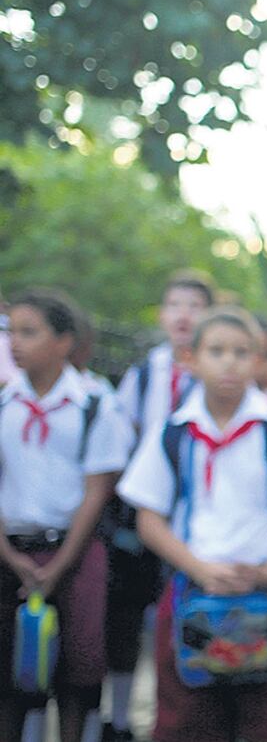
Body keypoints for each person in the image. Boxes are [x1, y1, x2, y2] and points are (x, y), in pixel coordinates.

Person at [117, 306, 267, 742]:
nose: (229, 362)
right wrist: (199, 569)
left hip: (264, 594)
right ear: (190, 359)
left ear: (259, 362)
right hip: (192, 590)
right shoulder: (173, 432)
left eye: (242, 352)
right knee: (186, 717)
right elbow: (148, 518)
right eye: (216, 351)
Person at [0, 289, 132, 741]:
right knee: (9, 673)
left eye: (29, 332)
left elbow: (96, 492)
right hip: (12, 550)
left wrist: (59, 565)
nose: (15, 342)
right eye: (11, 331)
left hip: (73, 550)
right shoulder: (4, 402)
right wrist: (9, 555)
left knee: (78, 668)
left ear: (63, 341)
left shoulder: (94, 405)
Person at [107, 269, 214, 742]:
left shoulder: (219, 373)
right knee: (128, 614)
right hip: (145, 509)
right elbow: (125, 435)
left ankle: (194, 715)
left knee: (188, 613)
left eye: (194, 306)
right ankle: (121, 717)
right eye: (174, 306)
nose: (183, 315)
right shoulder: (145, 372)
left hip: (198, 514)